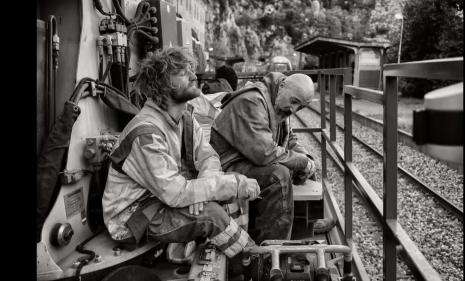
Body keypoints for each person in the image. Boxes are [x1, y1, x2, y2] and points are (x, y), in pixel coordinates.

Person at [102, 47, 260, 259]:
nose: (195, 76)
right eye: (185, 72)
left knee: (228, 195)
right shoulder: (145, 133)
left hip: (161, 199)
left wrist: (203, 187)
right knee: (213, 215)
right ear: (163, 83)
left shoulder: (185, 118)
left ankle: (242, 258)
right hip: (134, 216)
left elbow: (209, 157)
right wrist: (230, 185)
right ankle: (253, 260)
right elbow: (175, 193)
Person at [210, 72, 316, 244]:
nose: (294, 109)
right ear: (282, 86)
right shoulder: (252, 101)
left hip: (245, 159)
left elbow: (289, 140)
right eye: (294, 102)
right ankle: (270, 253)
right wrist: (301, 162)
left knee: (304, 163)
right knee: (278, 176)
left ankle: (303, 223)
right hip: (226, 164)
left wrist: (307, 158)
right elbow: (264, 153)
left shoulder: (276, 103)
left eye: (300, 107)